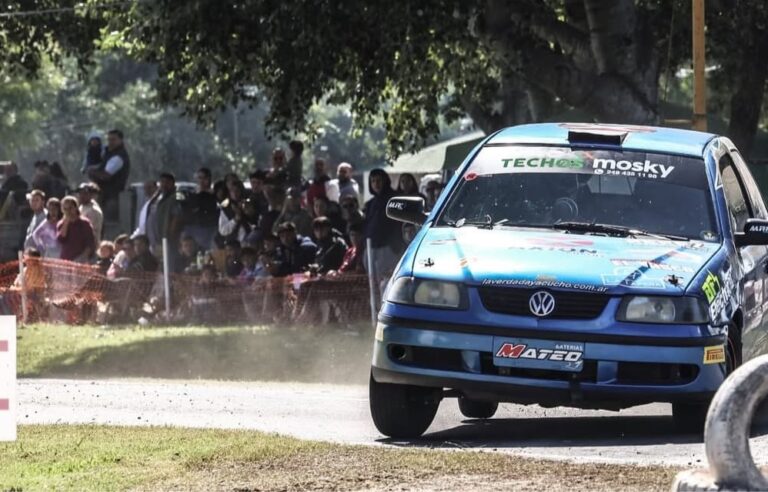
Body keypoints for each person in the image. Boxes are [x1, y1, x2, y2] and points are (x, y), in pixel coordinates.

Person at [363, 168, 404, 283]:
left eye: (379, 180)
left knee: (388, 283)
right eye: (373, 181)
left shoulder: (395, 199)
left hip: (388, 249)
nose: (376, 184)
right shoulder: (371, 203)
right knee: (374, 284)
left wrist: (395, 247)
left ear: (385, 181)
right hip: (371, 249)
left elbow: (399, 224)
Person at [87, 129, 130, 217]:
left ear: (121, 140)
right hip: (104, 196)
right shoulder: (108, 153)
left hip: (111, 197)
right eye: (109, 140)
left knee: (109, 223)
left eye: (113, 140)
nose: (110, 142)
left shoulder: (118, 156)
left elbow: (105, 175)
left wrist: (91, 171)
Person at [145, 173, 183, 260]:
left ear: (172, 183)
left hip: (166, 242)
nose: (164, 184)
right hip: (153, 242)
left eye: (167, 182)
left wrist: (169, 237)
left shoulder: (175, 198)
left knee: (167, 267)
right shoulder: (158, 197)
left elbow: (176, 218)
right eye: (162, 182)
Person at [184, 167, 219, 250]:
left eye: (205, 178)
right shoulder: (192, 195)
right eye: (200, 178)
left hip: (210, 229)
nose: (202, 181)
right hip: (194, 229)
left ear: (209, 179)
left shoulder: (216, 195)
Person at [57, 196, 96, 263]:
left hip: (80, 258)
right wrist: (66, 222)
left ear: (76, 207)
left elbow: (90, 243)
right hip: (66, 259)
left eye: (70, 208)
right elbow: (61, 239)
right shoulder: (61, 224)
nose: (68, 211)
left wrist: (84, 257)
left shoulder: (84, 223)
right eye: (65, 209)